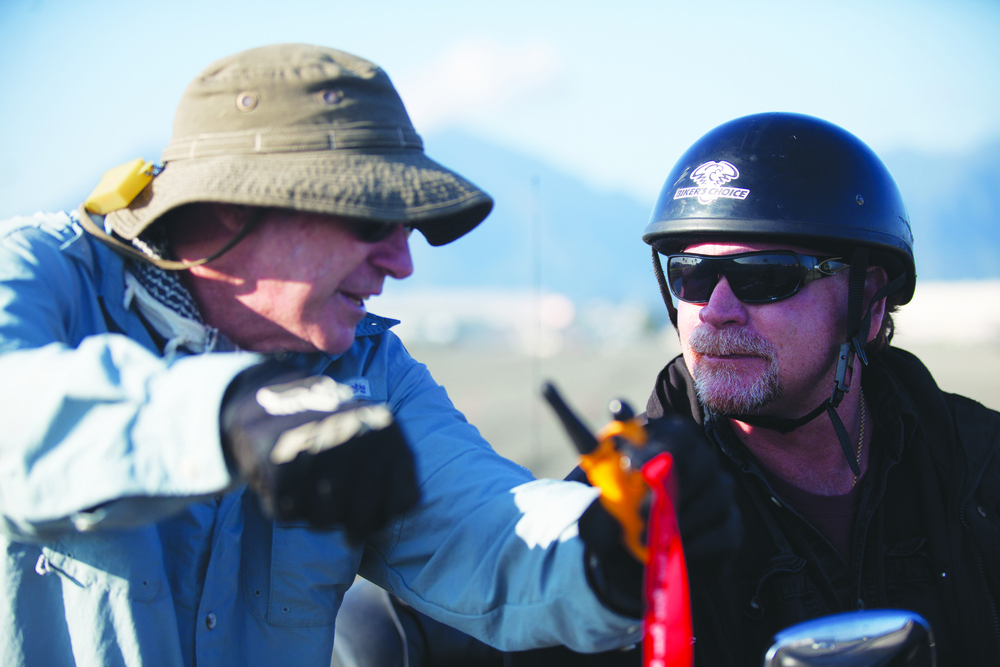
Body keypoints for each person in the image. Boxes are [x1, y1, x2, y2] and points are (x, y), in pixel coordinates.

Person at [0, 43, 742, 667]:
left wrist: (604, 547)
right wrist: (230, 412)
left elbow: (483, 520)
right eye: (370, 219)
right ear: (230, 204)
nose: (401, 262)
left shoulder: (362, 365)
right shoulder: (39, 273)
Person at [504, 112, 1000, 665]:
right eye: (690, 275)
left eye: (765, 275)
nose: (714, 312)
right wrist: (610, 583)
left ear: (868, 302)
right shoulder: (617, 524)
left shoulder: (979, 466)